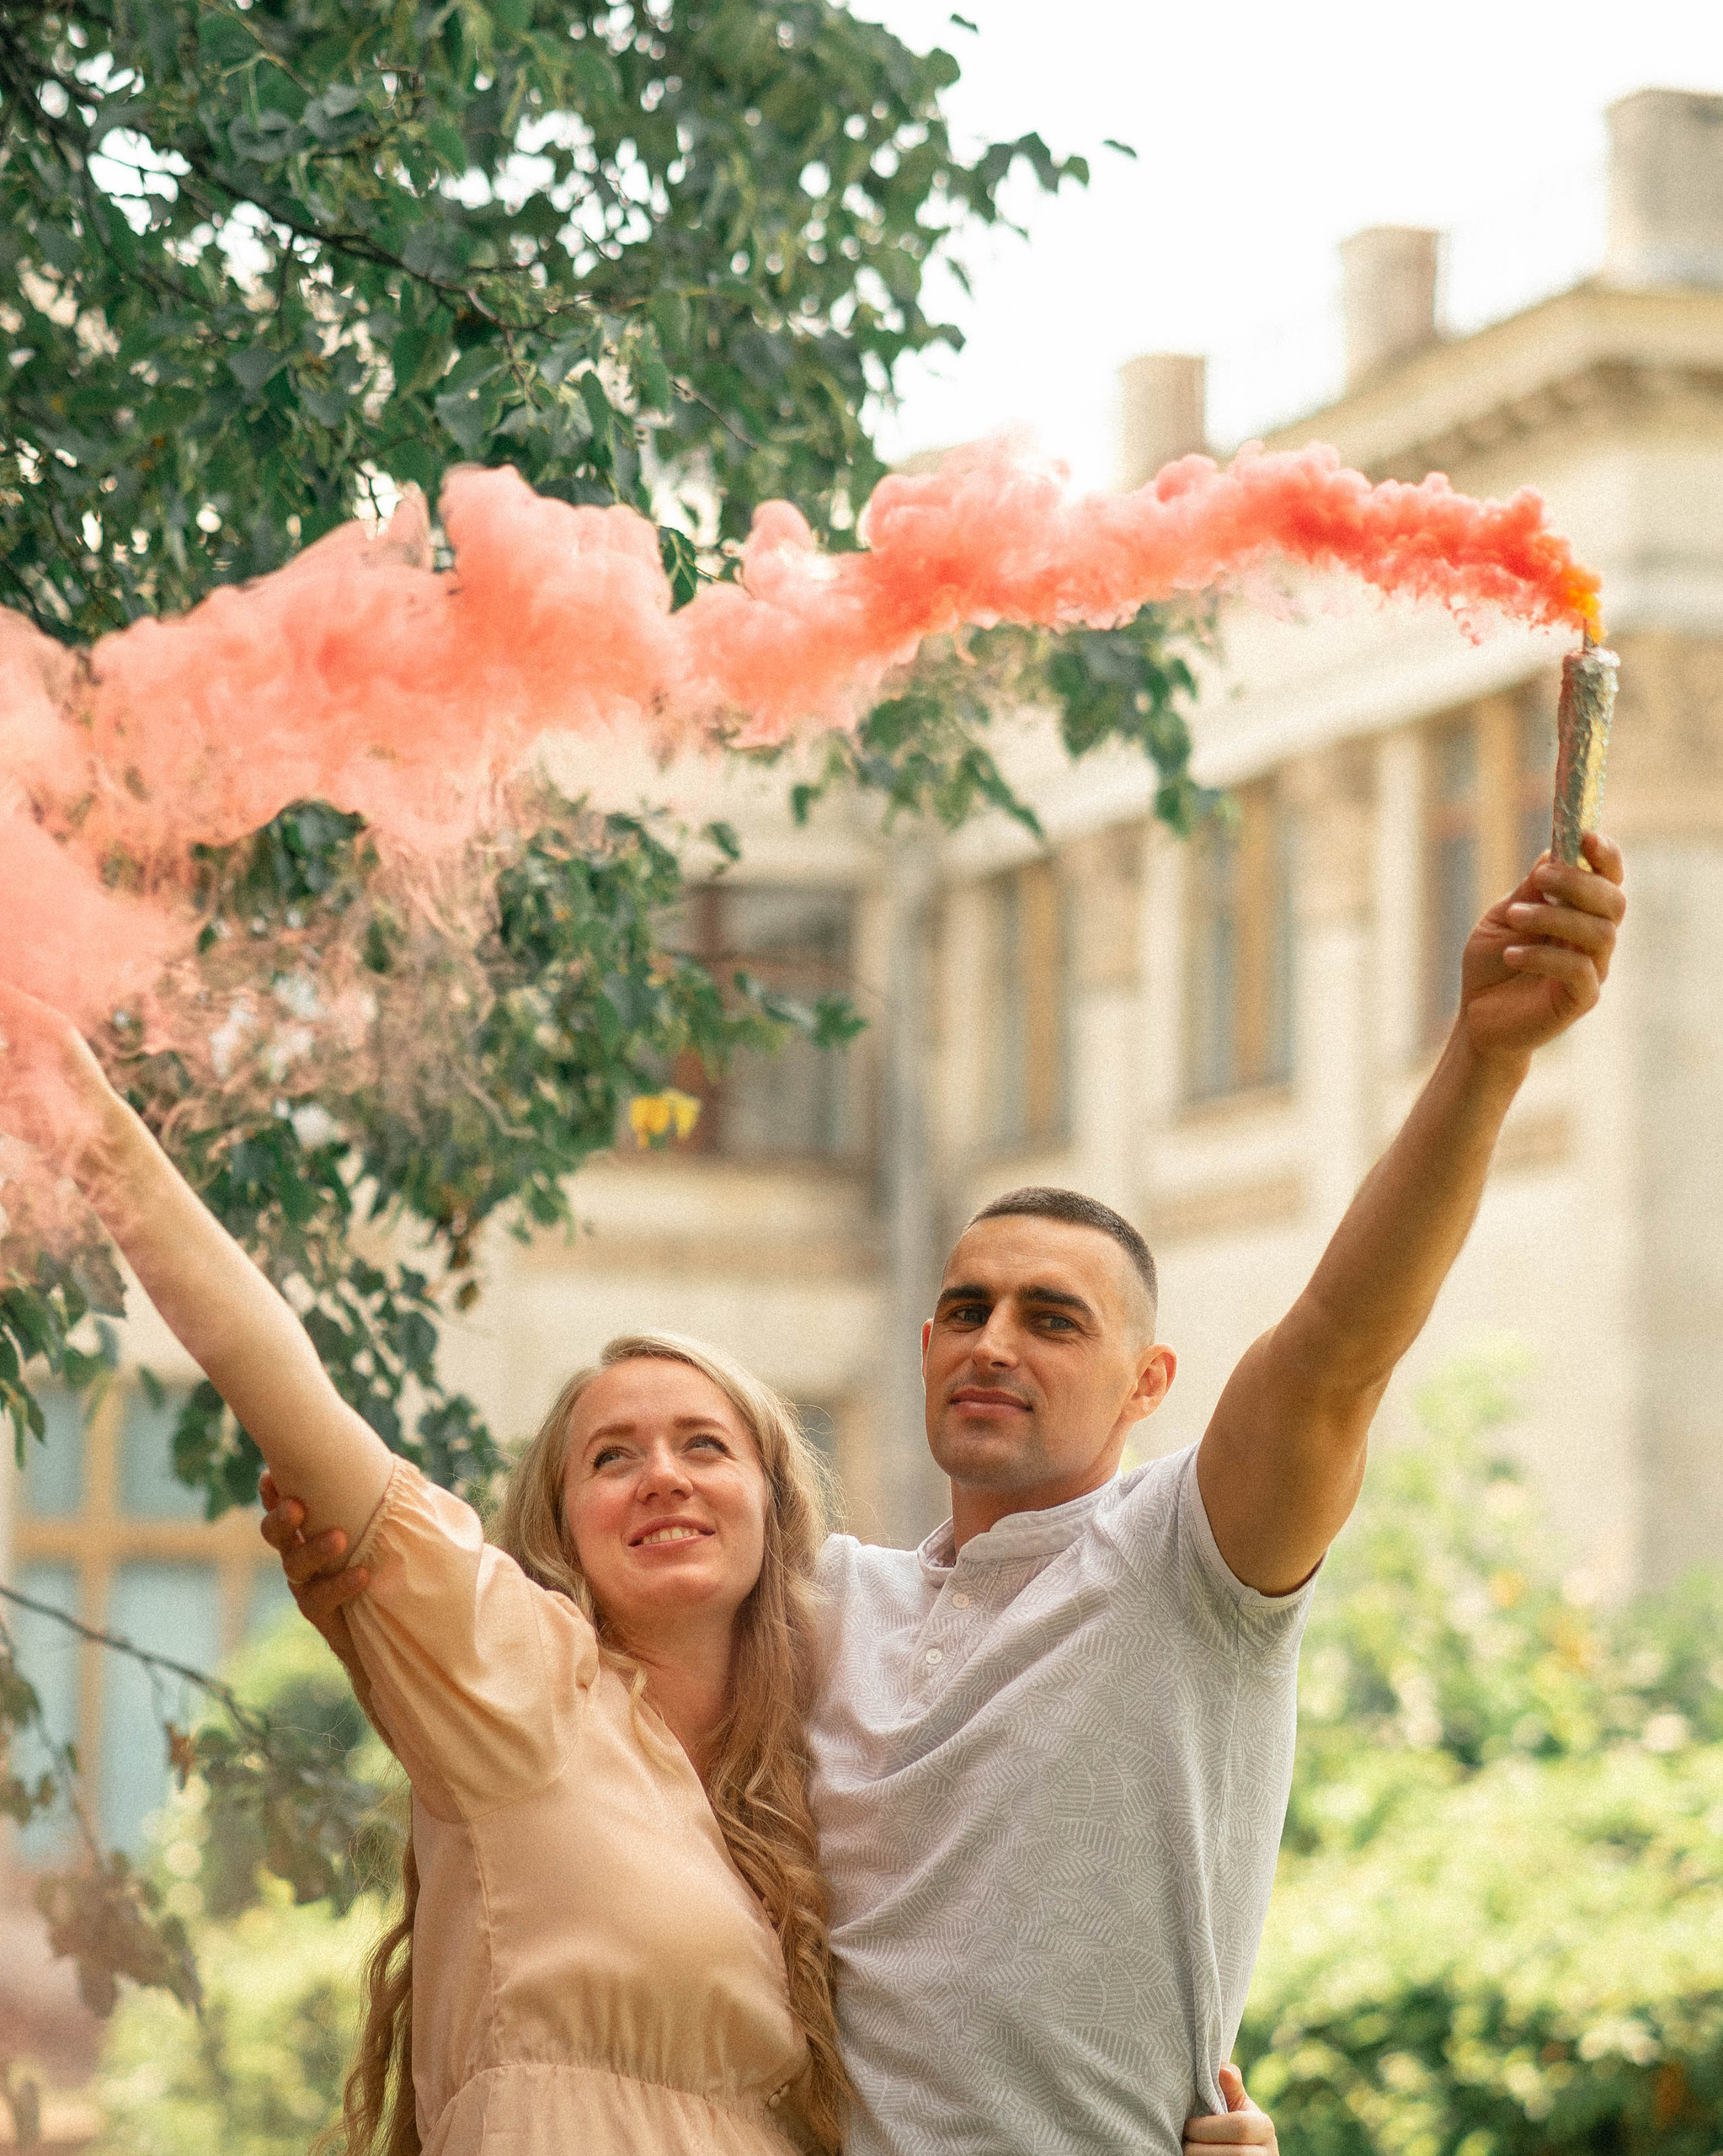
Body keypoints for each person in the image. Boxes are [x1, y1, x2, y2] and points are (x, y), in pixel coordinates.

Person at [270, 833, 1627, 2153]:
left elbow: (1337, 1351)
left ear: (1148, 1381)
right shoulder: (819, 1605)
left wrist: (1483, 1058)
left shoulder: (1185, 1562)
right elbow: (577, 1677)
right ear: (924, 1353)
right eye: (967, 1309)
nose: (995, 1342)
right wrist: (365, 1601)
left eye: (1053, 1319)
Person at [2, 991, 1282, 2156]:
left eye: (704, 1446)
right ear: (558, 1526)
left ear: (777, 1514)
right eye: (612, 1455)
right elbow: (283, 1386)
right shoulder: (514, 1675)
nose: (662, 1476)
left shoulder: (804, 1788)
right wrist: (93, 1131)